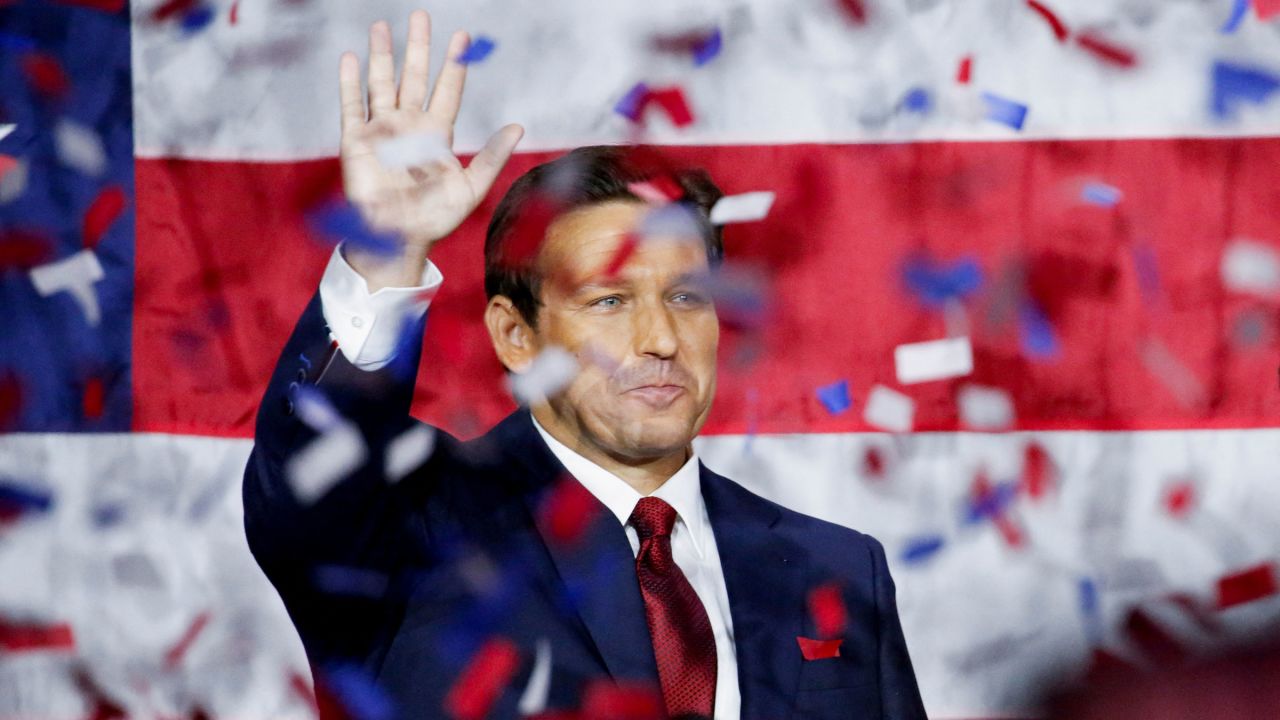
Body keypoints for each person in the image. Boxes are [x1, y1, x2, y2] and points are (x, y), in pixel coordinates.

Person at [242, 10, 926, 719]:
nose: (661, 337)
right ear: (515, 336)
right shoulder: (408, 528)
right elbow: (302, 489)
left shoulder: (841, 572)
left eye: (687, 297)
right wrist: (386, 250)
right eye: (609, 301)